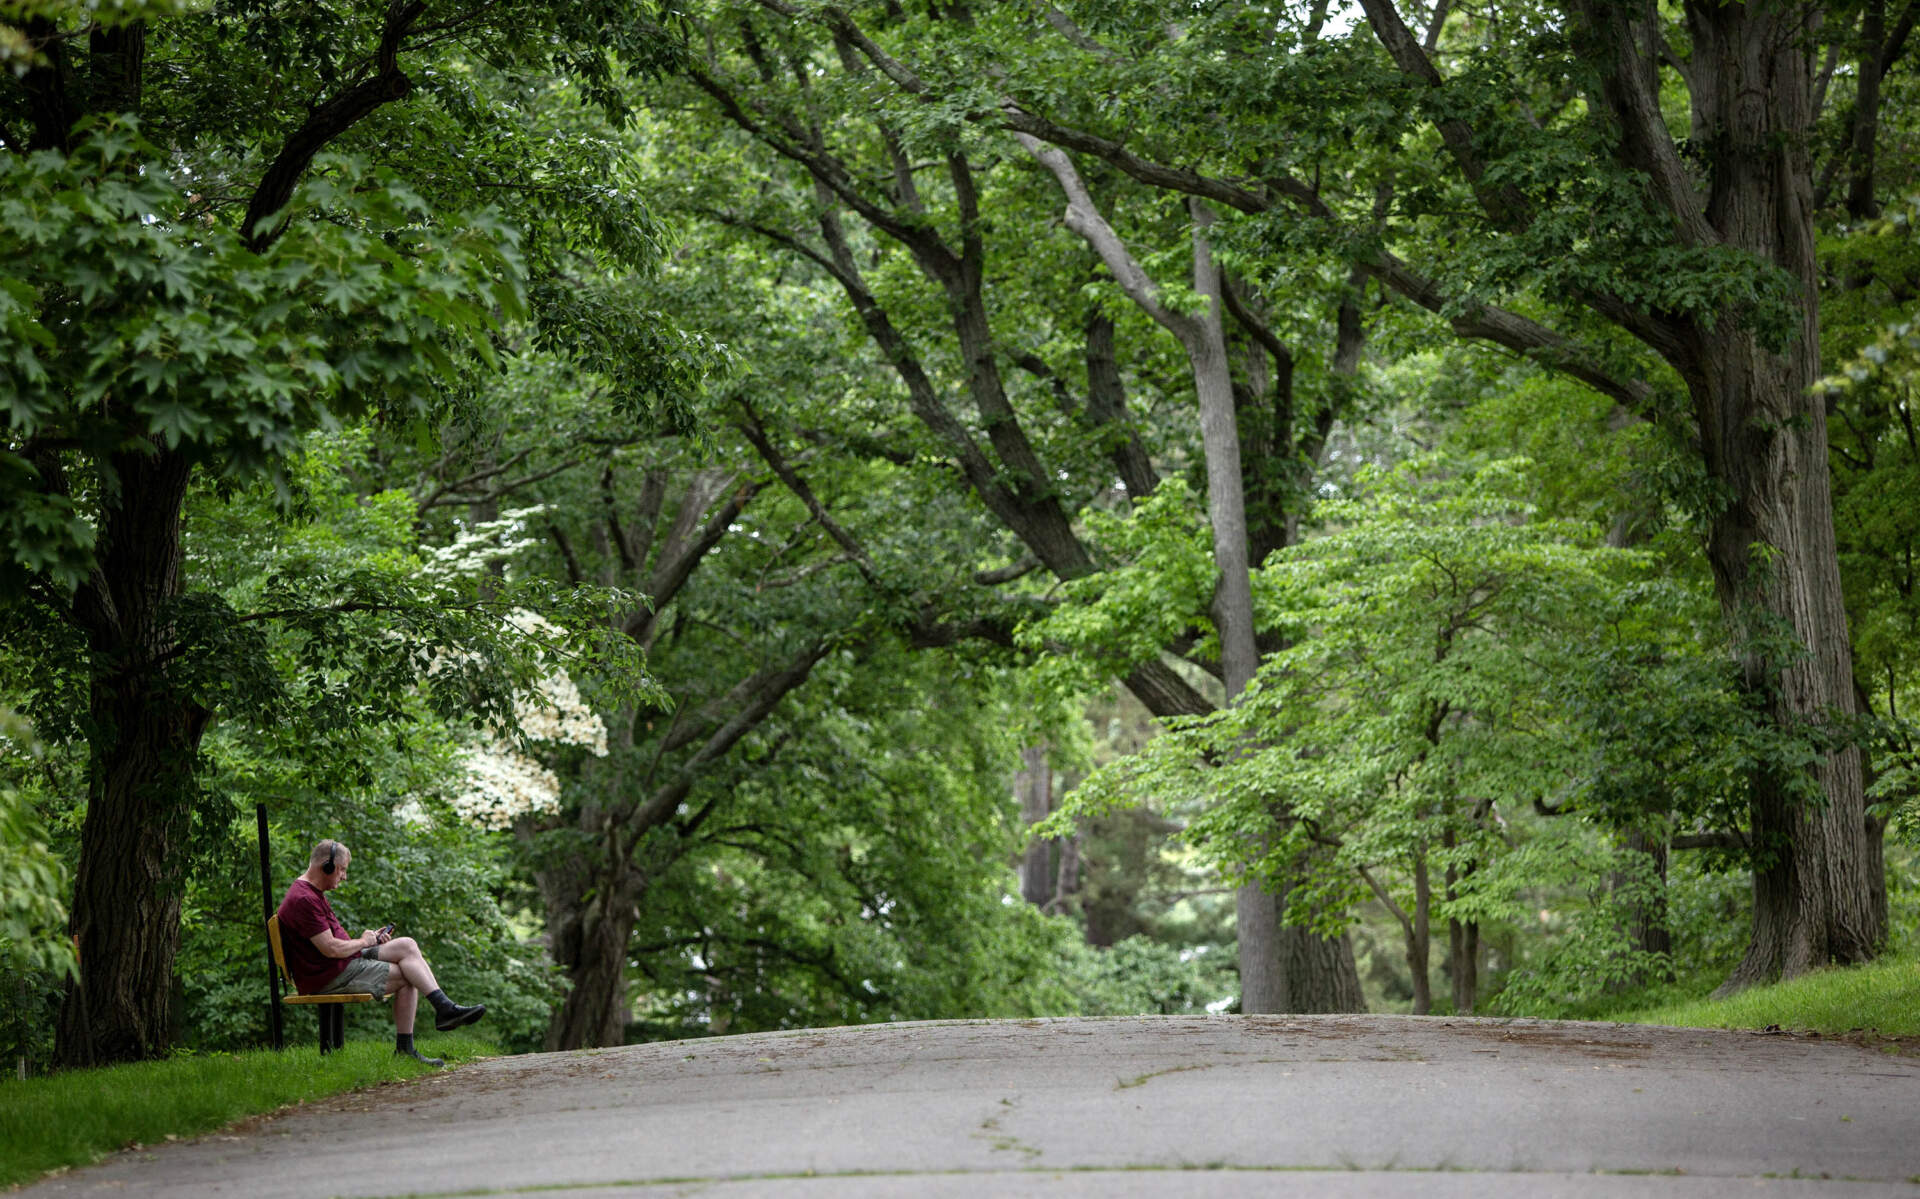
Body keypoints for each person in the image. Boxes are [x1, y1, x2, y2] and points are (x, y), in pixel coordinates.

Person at [275, 838, 485, 1066]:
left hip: (339, 963)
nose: (344, 876)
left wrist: (368, 941)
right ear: (326, 866)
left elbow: (334, 944)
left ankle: (444, 1008)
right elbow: (331, 948)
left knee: (407, 945)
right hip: (328, 974)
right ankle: (410, 1045)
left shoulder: (310, 892)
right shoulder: (305, 899)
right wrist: (363, 941)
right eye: (342, 869)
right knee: (407, 975)